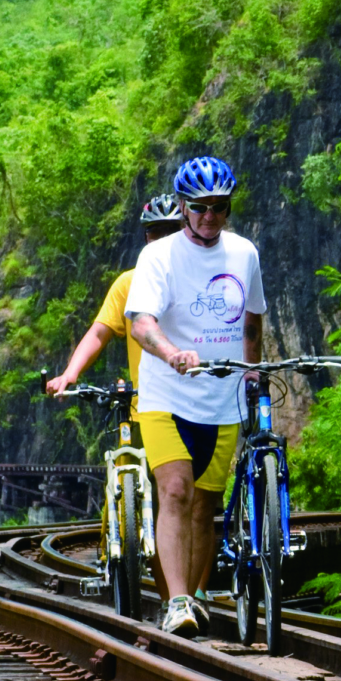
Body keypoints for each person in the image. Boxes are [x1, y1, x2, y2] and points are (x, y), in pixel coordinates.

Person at [125, 158, 267, 638]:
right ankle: (177, 601)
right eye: (200, 207)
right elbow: (141, 322)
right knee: (176, 491)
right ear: (184, 208)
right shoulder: (159, 256)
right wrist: (171, 353)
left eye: (219, 207)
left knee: (206, 506)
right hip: (166, 395)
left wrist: (252, 375)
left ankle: (199, 595)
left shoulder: (244, 253)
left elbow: (252, 318)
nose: (209, 216)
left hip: (222, 399)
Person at [45, 195, 187, 400]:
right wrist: (70, 373)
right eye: (156, 232)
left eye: (172, 232)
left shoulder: (200, 278)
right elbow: (99, 333)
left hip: (197, 401)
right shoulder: (129, 282)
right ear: (146, 237)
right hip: (146, 404)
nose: (163, 240)